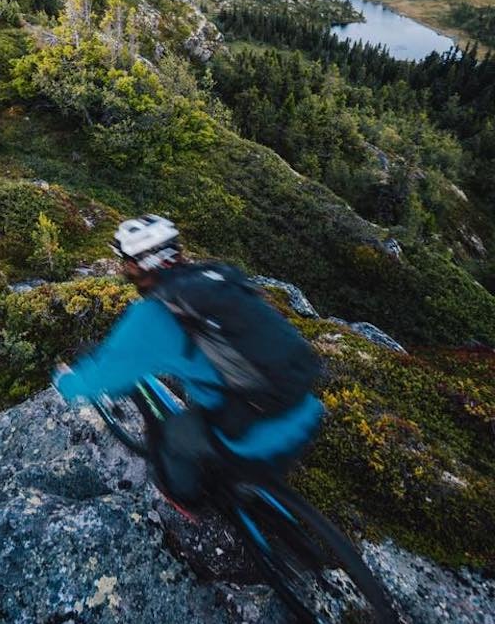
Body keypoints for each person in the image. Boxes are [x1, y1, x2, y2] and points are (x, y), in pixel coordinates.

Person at [54, 215, 324, 506]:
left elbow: (105, 378)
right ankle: (248, 486)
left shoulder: (153, 315)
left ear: (137, 264)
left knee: (169, 441)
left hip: (255, 423)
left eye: (126, 260)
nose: (124, 267)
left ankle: (190, 503)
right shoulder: (215, 276)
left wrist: (67, 383)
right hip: (302, 402)